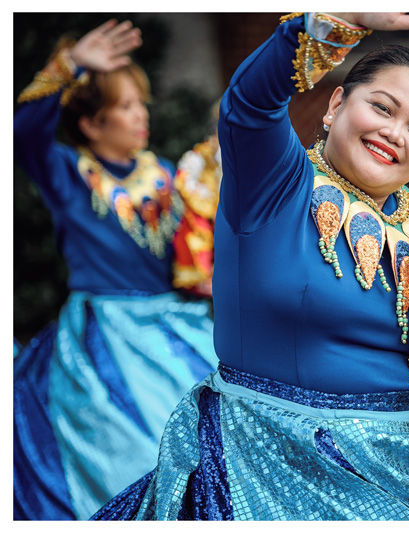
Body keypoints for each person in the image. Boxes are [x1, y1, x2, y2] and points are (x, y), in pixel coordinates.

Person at [92, 12, 409, 521]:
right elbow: (248, 103)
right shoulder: (275, 184)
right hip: (256, 464)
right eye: (381, 106)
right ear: (335, 104)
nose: (394, 133)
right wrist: (330, 22)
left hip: (403, 474)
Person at [13, 19, 218, 520]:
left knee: (208, 433)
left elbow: (195, 251)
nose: (140, 116)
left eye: (140, 103)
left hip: (177, 326)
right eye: (125, 106)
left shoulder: (169, 176)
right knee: (130, 448)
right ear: (90, 124)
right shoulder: (67, 173)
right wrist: (70, 65)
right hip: (103, 338)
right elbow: (21, 132)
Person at [172, 102, 222, 298]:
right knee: (195, 227)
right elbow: (184, 179)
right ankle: (200, 276)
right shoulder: (200, 155)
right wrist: (207, 203)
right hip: (206, 208)